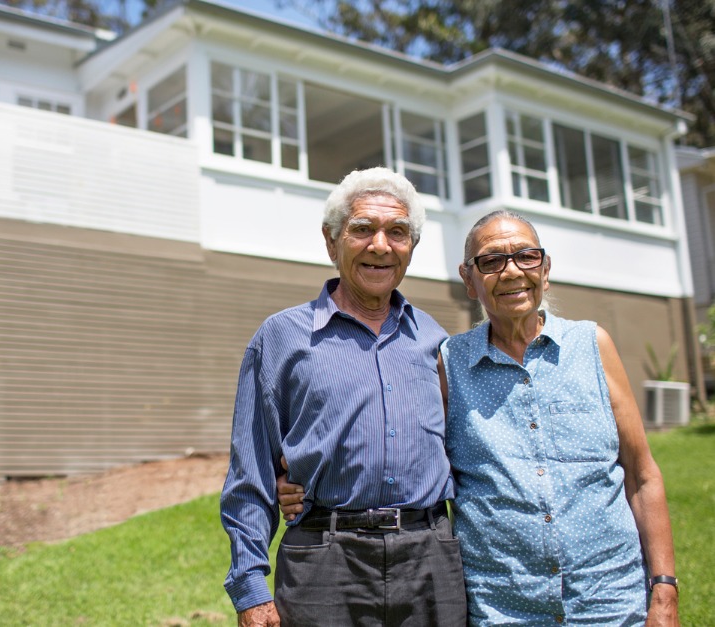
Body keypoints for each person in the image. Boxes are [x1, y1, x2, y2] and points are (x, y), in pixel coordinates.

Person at [279, 210, 680, 625]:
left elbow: (642, 474)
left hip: (608, 599)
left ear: (545, 270)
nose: (511, 273)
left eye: (526, 256)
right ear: (469, 280)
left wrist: (664, 589)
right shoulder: (450, 362)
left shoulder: (593, 346)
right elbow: (402, 444)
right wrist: (298, 471)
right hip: (503, 607)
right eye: (490, 261)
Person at [220, 167, 467, 626]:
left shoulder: (436, 341)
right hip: (324, 564)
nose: (380, 245)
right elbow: (250, 473)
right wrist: (251, 588)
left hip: (431, 561)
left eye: (397, 232)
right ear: (331, 242)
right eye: (362, 230)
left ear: (411, 247)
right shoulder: (280, 338)